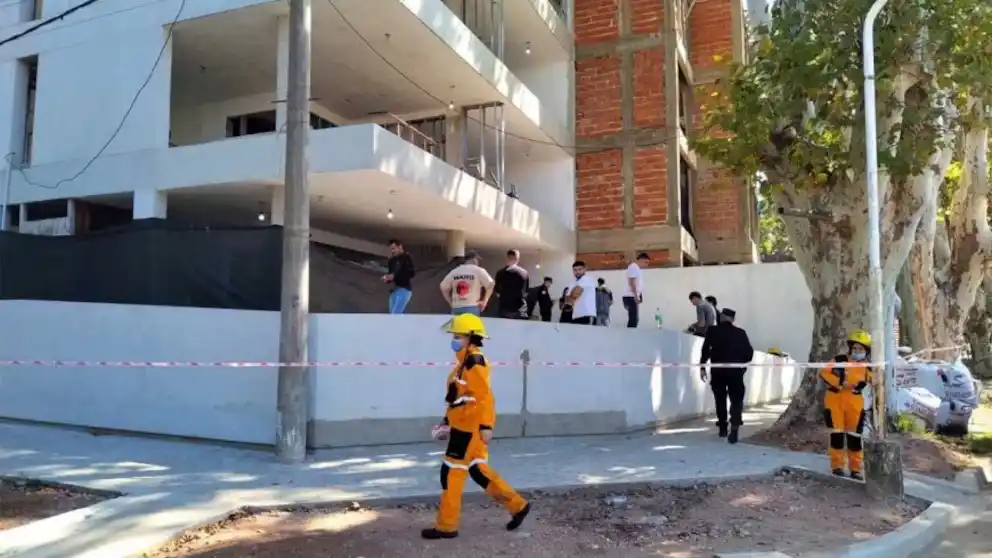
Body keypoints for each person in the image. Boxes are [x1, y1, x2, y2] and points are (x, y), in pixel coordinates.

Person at [422, 313, 531, 539]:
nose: (454, 340)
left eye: (458, 336)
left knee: (451, 473)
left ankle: (446, 526)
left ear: (471, 338)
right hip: (463, 426)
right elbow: (459, 396)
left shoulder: (474, 362)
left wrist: (486, 425)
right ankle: (518, 505)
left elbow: (485, 397)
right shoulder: (464, 362)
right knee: (479, 471)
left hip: (468, 430)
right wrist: (446, 421)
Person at [820, 330, 873, 480]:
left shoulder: (868, 367)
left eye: (861, 349)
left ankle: (855, 469)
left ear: (866, 351)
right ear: (850, 348)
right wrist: (840, 383)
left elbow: (875, 381)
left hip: (855, 403)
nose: (857, 352)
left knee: (855, 437)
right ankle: (837, 466)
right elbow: (824, 373)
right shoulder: (839, 360)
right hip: (835, 400)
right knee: (837, 435)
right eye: (855, 348)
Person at [699, 308, 754, 444]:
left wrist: (702, 366)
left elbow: (705, 349)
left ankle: (722, 427)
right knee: (736, 400)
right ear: (733, 319)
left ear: (722, 317)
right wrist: (741, 366)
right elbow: (749, 353)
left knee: (720, 398)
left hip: (718, 371)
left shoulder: (712, 331)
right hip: (735, 372)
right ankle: (734, 428)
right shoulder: (740, 333)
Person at [439, 250, 494, 316]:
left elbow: (443, 287)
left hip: (457, 307)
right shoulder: (478, 270)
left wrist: (450, 302)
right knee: (471, 325)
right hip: (472, 306)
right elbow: (491, 284)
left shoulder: (455, 271)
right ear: (474, 259)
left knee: (457, 325)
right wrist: (485, 301)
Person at [493, 249, 529, 319]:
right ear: (517, 259)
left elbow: (497, 293)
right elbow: (525, 293)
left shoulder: (500, 273)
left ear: (507, 258)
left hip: (504, 309)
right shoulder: (524, 273)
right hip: (520, 309)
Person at [384, 239, 415, 314]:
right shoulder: (391, 261)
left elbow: (411, 273)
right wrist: (387, 278)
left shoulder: (406, 258)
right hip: (394, 290)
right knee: (393, 314)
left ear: (400, 247)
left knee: (395, 314)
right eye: (391, 249)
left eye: (394, 248)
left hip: (404, 289)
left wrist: (394, 276)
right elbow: (391, 274)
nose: (392, 251)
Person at [564, 261, 597, 325]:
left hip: (587, 315)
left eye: (580, 269)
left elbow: (575, 293)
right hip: (576, 316)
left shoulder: (586, 279)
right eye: (575, 270)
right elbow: (567, 300)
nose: (577, 272)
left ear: (585, 269)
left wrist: (571, 296)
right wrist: (570, 298)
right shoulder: (573, 282)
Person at [622, 253, 649, 327]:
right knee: (633, 319)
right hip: (630, 296)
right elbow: (631, 282)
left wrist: (639, 295)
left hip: (633, 296)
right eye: (646, 262)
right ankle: (630, 336)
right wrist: (636, 295)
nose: (646, 265)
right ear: (641, 260)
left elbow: (637, 283)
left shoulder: (637, 268)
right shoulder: (633, 267)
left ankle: (631, 334)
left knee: (635, 318)